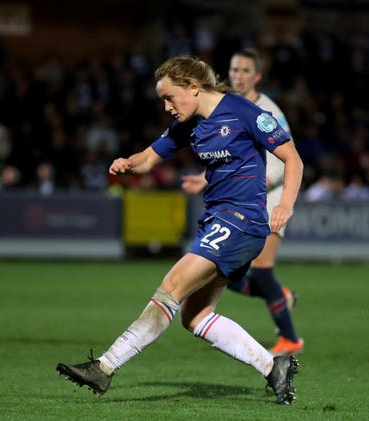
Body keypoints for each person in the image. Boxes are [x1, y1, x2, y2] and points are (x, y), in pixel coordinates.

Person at [56, 56, 304, 404]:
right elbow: (148, 158)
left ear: (193, 86)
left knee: (171, 287)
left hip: (242, 219)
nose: (167, 107)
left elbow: (293, 158)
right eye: (162, 100)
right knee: (195, 316)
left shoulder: (244, 112)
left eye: (170, 98)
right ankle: (273, 367)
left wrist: (285, 205)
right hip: (220, 220)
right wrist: (128, 163)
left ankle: (105, 367)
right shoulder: (190, 123)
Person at [181, 48, 304, 356]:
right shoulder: (226, 105)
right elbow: (230, 156)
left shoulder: (267, 110)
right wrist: (205, 178)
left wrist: (264, 184)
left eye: (245, 71)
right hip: (242, 196)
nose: (238, 75)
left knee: (261, 270)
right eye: (234, 69)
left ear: (257, 76)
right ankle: (280, 296)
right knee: (227, 273)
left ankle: (289, 338)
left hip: (267, 196)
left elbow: (284, 158)